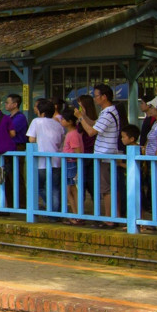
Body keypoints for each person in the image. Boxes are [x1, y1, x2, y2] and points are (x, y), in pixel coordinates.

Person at [78, 84, 120, 217]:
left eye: (96, 96)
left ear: (104, 97)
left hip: (105, 154)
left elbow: (91, 132)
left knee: (106, 189)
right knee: (107, 188)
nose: (95, 99)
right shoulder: (107, 112)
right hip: (106, 154)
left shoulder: (108, 113)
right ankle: (114, 216)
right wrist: (84, 116)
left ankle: (109, 218)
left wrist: (80, 118)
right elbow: (94, 124)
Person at [27, 99, 64, 213]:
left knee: (39, 186)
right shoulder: (58, 124)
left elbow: (31, 139)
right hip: (56, 160)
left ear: (41, 112)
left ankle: (51, 208)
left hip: (41, 162)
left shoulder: (36, 121)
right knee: (55, 188)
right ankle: (55, 212)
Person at [60, 107, 84, 219]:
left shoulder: (73, 134)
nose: (61, 121)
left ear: (70, 121)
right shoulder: (72, 133)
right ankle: (75, 214)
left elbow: (77, 151)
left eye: (64, 119)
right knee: (70, 189)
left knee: (71, 189)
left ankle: (76, 214)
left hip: (71, 163)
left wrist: (79, 168)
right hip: (70, 163)